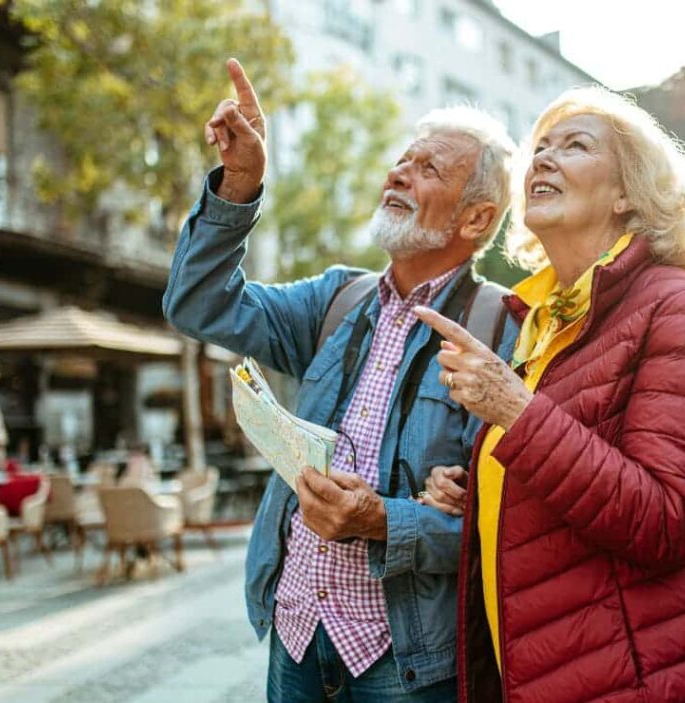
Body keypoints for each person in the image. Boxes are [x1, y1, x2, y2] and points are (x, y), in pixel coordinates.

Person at [416, 87, 685, 702]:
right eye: (540, 150)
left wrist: (512, 407)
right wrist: (479, 492)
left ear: (627, 194)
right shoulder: (544, 321)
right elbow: (565, 473)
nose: (543, 160)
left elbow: (664, 520)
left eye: (576, 146)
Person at [162, 59, 517, 702]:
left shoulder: (499, 330)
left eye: (428, 168)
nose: (399, 173)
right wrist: (240, 185)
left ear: (476, 220)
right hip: (296, 632)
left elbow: (502, 530)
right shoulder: (337, 299)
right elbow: (197, 304)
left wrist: (385, 520)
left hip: (404, 659)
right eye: (403, 160)